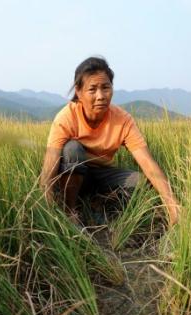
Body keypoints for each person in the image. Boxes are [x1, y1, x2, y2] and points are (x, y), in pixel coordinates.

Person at [40, 56, 180, 226]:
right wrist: (47, 207)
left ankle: (99, 202)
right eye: (92, 89)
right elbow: (50, 162)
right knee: (72, 149)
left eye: (106, 88)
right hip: (74, 174)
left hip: (103, 175)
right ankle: (70, 210)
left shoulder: (123, 120)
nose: (101, 96)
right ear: (79, 92)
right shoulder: (66, 117)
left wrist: (172, 205)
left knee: (142, 183)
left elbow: (147, 163)